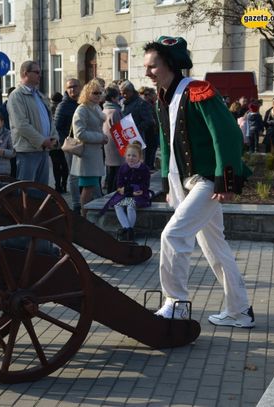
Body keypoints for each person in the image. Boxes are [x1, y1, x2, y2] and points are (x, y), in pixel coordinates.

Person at [143, 36, 254, 327]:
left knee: (173, 235)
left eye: (152, 66)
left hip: (208, 181)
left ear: (169, 64)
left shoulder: (198, 90)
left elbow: (227, 134)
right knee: (215, 248)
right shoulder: (162, 98)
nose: (148, 73)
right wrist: (168, 184)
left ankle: (176, 304)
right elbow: (167, 145)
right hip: (185, 182)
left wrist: (226, 181)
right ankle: (240, 311)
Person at [7, 60, 59, 185]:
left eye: (40, 72)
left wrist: (54, 138)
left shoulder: (40, 95)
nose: (40, 75)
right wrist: (42, 140)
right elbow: (21, 125)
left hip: (43, 150)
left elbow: (50, 120)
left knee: (41, 190)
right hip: (27, 151)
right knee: (27, 190)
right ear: (25, 73)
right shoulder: (16, 96)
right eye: (36, 72)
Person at [69, 79, 107, 218]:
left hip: (95, 153)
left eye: (100, 92)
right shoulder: (82, 109)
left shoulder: (96, 107)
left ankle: (88, 214)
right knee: (88, 187)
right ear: (87, 93)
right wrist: (100, 137)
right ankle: (82, 216)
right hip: (86, 155)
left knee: (92, 186)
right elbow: (79, 133)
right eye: (95, 93)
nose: (98, 95)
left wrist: (102, 137)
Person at [101, 141, 151, 241]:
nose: (131, 158)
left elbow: (145, 185)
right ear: (125, 156)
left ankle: (128, 231)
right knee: (117, 205)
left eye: (134, 156)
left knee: (130, 206)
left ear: (139, 157)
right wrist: (126, 190)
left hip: (139, 195)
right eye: (128, 155)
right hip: (126, 194)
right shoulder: (123, 168)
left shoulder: (144, 169)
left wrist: (138, 190)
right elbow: (119, 184)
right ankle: (128, 229)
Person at [55, 78, 81, 213]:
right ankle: (76, 203)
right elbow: (57, 127)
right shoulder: (63, 105)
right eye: (69, 87)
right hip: (71, 144)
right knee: (74, 174)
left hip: (83, 144)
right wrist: (65, 141)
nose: (72, 89)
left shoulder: (82, 102)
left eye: (74, 86)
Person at [102, 86, 124, 194]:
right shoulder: (115, 111)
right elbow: (119, 129)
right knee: (116, 174)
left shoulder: (104, 109)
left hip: (108, 145)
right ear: (113, 98)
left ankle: (109, 193)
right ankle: (113, 195)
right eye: (117, 96)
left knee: (110, 172)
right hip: (116, 145)